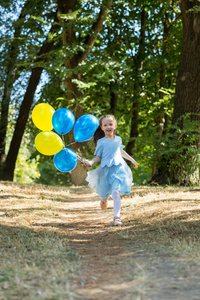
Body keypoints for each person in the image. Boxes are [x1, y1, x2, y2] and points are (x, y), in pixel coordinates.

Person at [83, 115, 138, 226]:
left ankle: (117, 217)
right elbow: (97, 157)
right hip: (105, 171)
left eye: (110, 124)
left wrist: (132, 160)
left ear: (115, 126)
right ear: (102, 128)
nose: (108, 127)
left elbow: (121, 152)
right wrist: (90, 163)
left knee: (115, 192)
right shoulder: (101, 142)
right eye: (105, 125)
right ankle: (104, 200)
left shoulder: (118, 139)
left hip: (119, 169)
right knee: (104, 196)